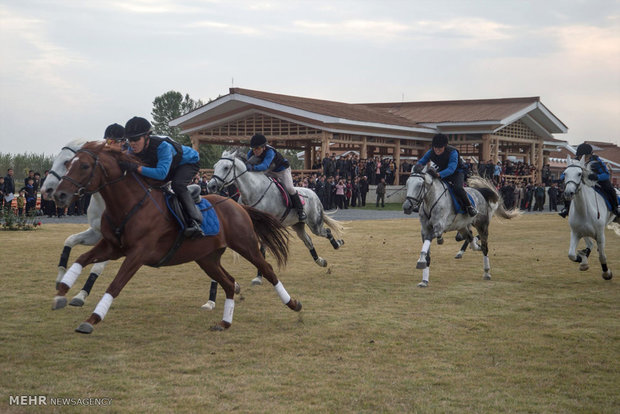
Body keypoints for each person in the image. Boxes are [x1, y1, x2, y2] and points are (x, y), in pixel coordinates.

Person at [121, 116, 205, 238]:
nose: (132, 143)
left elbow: (161, 174)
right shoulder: (131, 148)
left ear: (146, 137)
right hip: (169, 165)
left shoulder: (163, 147)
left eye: (136, 139)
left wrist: (136, 168)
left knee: (177, 185)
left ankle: (194, 221)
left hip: (188, 163)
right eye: (130, 140)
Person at [245, 133, 307, 221]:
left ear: (264, 147)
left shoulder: (270, 152)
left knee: (289, 188)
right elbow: (248, 164)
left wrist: (253, 168)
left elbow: (264, 166)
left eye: (257, 148)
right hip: (269, 171)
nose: (255, 151)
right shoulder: (250, 153)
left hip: (282, 171)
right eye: (253, 148)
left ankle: (300, 211)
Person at [414, 134, 478, 216]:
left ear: (445, 146)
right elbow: (421, 162)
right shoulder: (430, 152)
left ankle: (469, 207)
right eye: (435, 148)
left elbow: (451, 169)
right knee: (428, 184)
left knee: (457, 188)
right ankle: (420, 204)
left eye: (440, 148)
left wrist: (438, 174)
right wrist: (417, 167)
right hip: (442, 171)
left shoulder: (453, 152)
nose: (437, 150)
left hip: (457, 172)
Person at [559, 143, 619, 218]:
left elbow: (606, 174)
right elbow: (567, 172)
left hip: (598, 182)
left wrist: (597, 177)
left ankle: (615, 208)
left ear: (591, 155)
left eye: (586, 156)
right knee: (568, 189)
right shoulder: (575, 162)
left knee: (610, 190)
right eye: (580, 156)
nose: (583, 158)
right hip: (581, 182)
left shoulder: (597, 161)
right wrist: (563, 177)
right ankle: (567, 208)